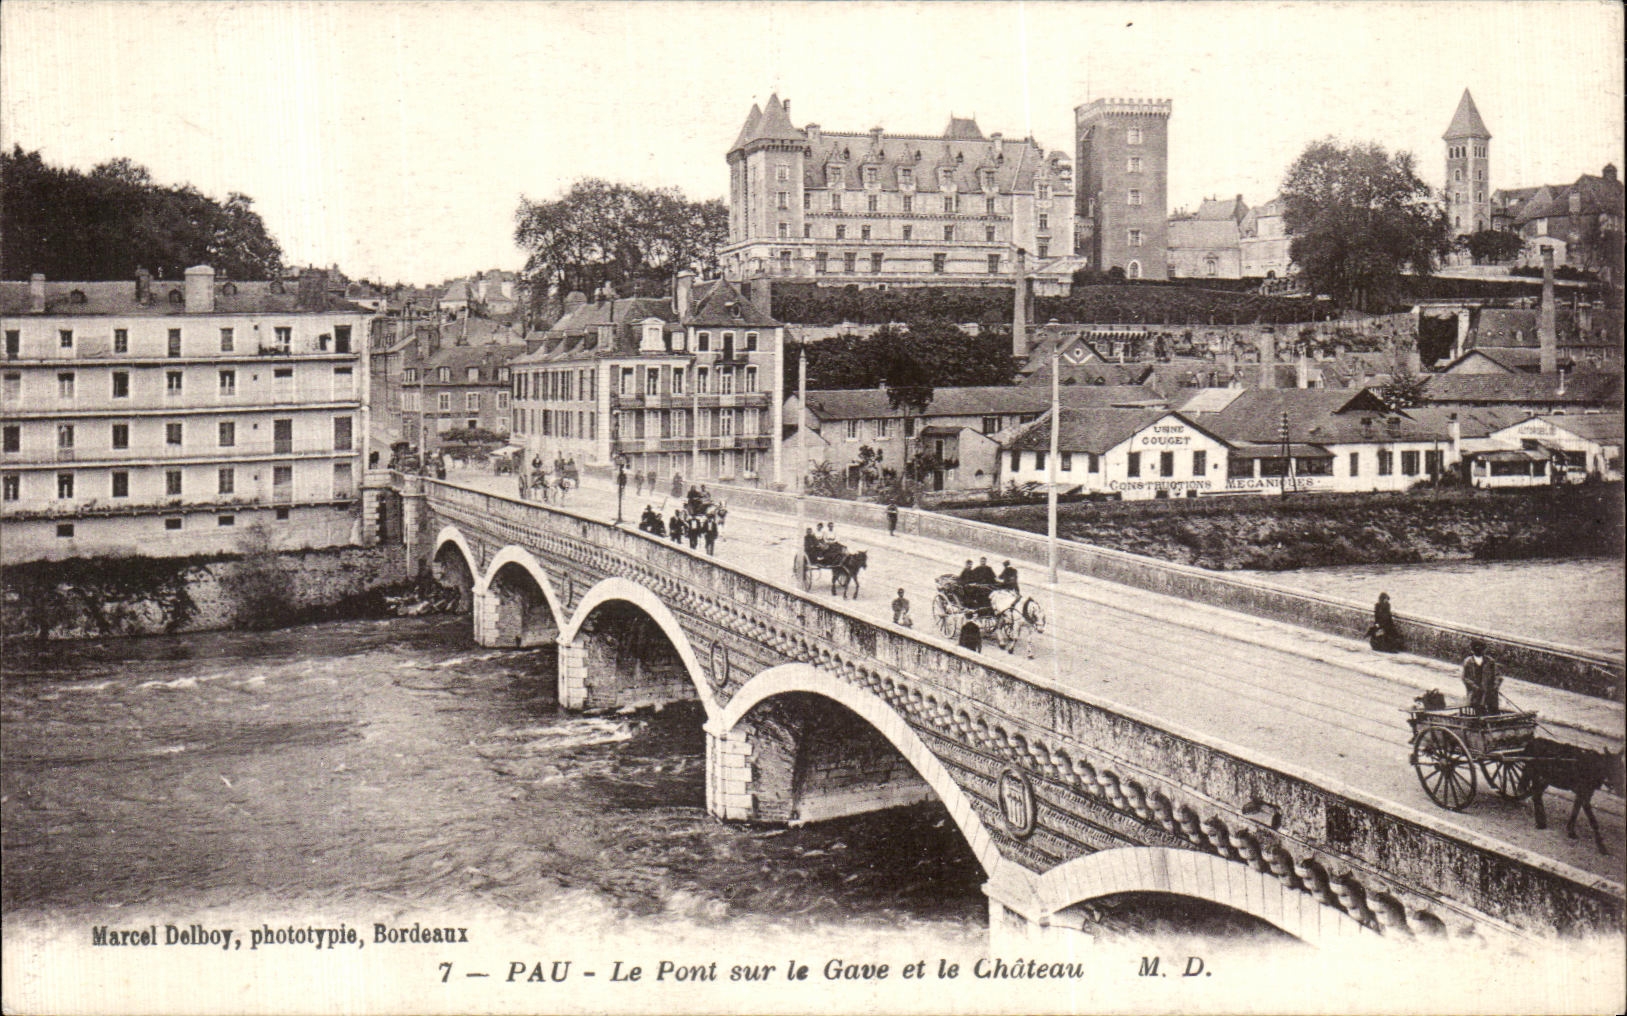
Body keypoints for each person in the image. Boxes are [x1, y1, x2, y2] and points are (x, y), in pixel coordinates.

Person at [1462, 640, 1500, 714]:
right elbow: (1465, 677)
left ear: (1484, 650)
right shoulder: (1468, 662)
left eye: (1481, 649)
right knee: (1478, 711)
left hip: (1489, 692)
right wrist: (1475, 687)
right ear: (1472, 650)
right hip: (1475, 693)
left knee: (1493, 711)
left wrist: (1494, 687)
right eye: (1476, 649)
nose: (1478, 651)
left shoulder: (1490, 661)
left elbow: (1497, 676)